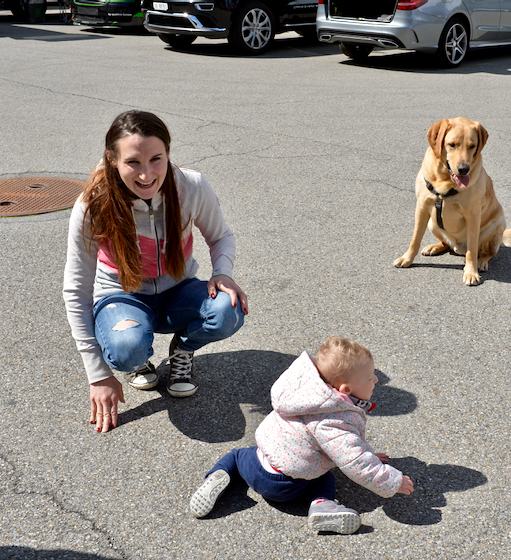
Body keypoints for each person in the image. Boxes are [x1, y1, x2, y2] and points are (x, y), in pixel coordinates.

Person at [63, 110, 248, 433]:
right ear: (112, 159)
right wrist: (98, 375)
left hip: (178, 290)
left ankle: (183, 349)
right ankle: (138, 360)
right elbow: (76, 289)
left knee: (228, 309)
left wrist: (223, 272)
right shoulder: (92, 204)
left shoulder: (191, 186)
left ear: (168, 154)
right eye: (133, 162)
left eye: (156, 159)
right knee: (126, 348)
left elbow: (221, 236)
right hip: (122, 296)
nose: (147, 174)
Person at [189, 336, 414, 534]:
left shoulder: (305, 391)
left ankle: (217, 476)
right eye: (370, 378)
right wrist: (393, 481)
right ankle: (322, 504)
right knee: (325, 478)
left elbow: (351, 448)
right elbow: (355, 461)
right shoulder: (334, 420)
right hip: (285, 486)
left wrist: (371, 455)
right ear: (344, 389)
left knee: (237, 455)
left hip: (258, 462)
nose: (375, 381)